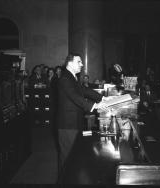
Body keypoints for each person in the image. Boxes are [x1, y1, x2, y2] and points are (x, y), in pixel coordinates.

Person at [56, 53, 107, 182]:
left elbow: (85, 91)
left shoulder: (72, 77)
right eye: (79, 62)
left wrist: (103, 98)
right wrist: (94, 106)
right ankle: (64, 182)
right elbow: (75, 97)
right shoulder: (65, 78)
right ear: (70, 63)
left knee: (73, 156)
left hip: (74, 122)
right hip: (67, 125)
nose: (82, 64)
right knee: (67, 157)